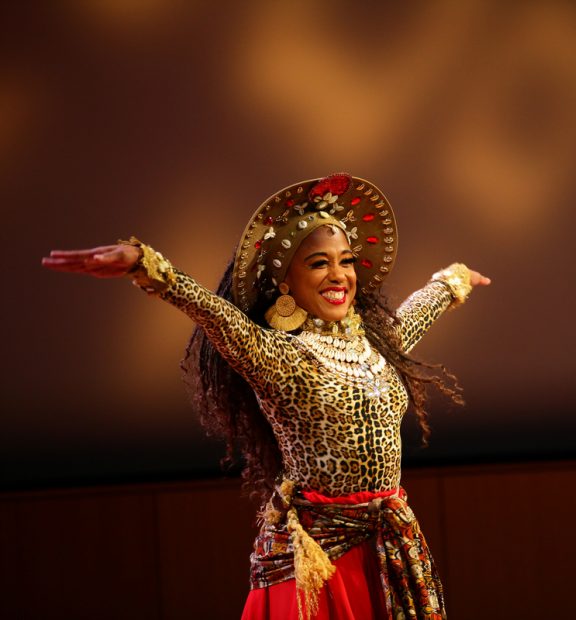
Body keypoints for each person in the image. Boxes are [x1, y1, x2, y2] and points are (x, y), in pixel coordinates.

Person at [41, 173, 490, 620]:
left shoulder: (376, 345)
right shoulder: (279, 356)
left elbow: (420, 309)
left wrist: (454, 281)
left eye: (346, 261)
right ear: (286, 284)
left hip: (383, 551)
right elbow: (215, 315)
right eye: (318, 263)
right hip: (320, 562)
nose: (338, 275)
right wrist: (147, 266)